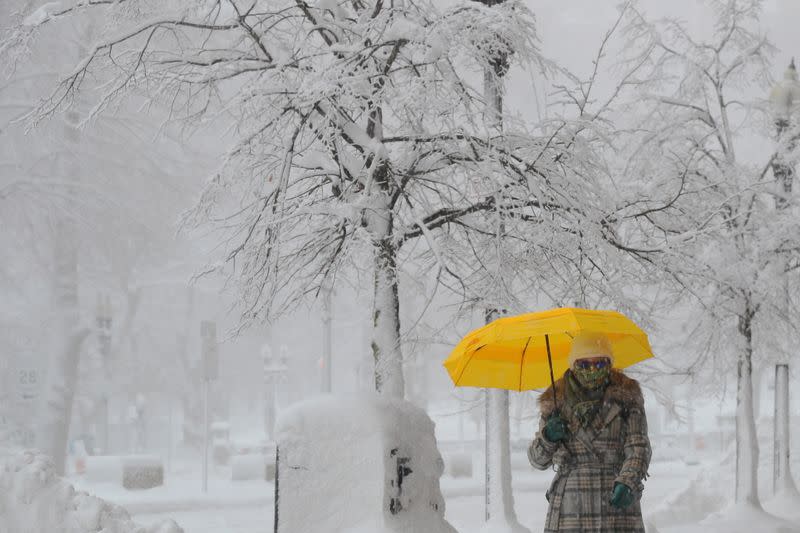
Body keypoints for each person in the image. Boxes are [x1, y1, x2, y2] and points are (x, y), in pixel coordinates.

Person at [528, 331, 651, 532]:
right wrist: (548, 437)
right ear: (574, 364)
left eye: (600, 364)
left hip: (615, 501)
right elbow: (537, 460)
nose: (592, 369)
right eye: (585, 364)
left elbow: (639, 447)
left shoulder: (627, 396)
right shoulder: (555, 402)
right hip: (570, 506)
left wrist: (628, 481)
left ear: (609, 364)